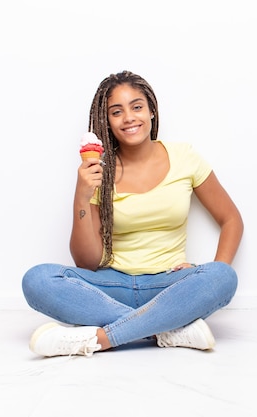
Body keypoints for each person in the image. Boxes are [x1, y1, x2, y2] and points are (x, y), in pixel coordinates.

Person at [22, 70, 243, 357]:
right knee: (36, 280)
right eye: (117, 111)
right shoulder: (100, 171)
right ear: (107, 121)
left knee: (222, 277)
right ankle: (165, 328)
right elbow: (86, 262)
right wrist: (81, 195)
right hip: (112, 285)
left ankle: (102, 339)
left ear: (151, 110)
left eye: (136, 107)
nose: (128, 118)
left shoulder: (184, 157)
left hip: (169, 284)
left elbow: (231, 220)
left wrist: (215, 267)